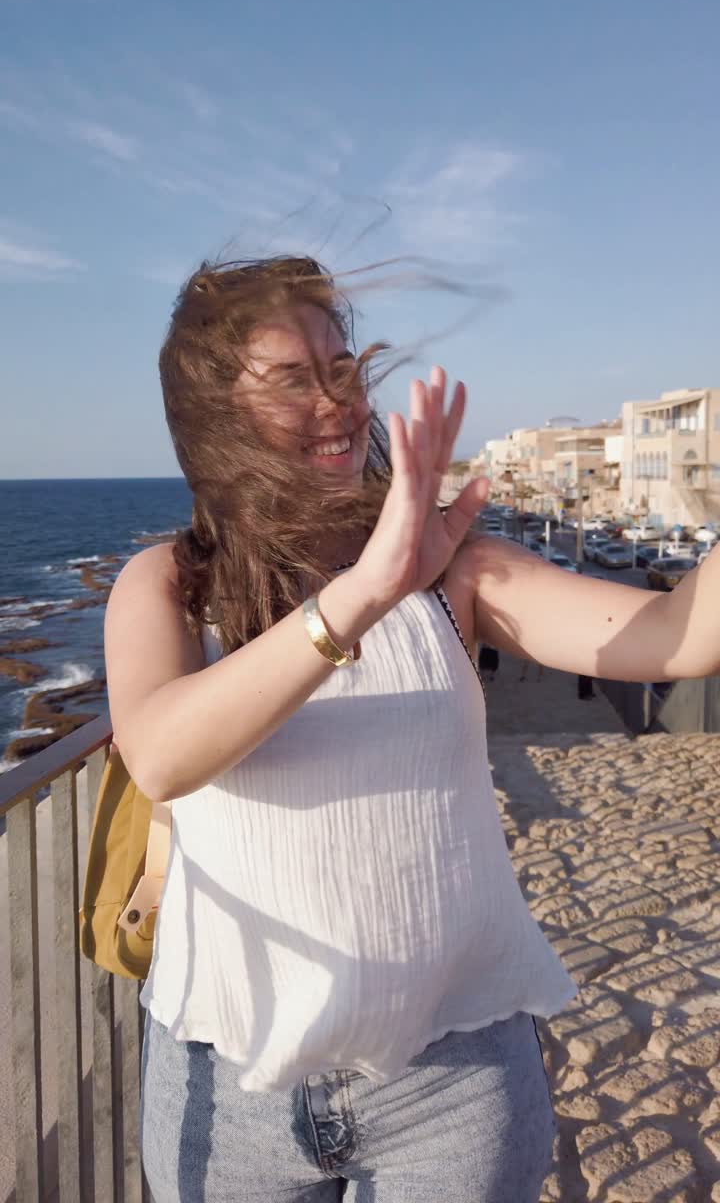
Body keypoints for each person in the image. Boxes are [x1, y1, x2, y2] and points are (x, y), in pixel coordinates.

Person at [105, 256, 719, 1202]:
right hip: (228, 1086)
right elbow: (160, 755)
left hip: (453, 1084)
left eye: (341, 369)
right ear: (216, 419)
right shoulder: (168, 585)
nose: (337, 402)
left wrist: (393, 577)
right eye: (293, 380)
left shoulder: (452, 572)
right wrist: (363, 593)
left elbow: (680, 638)